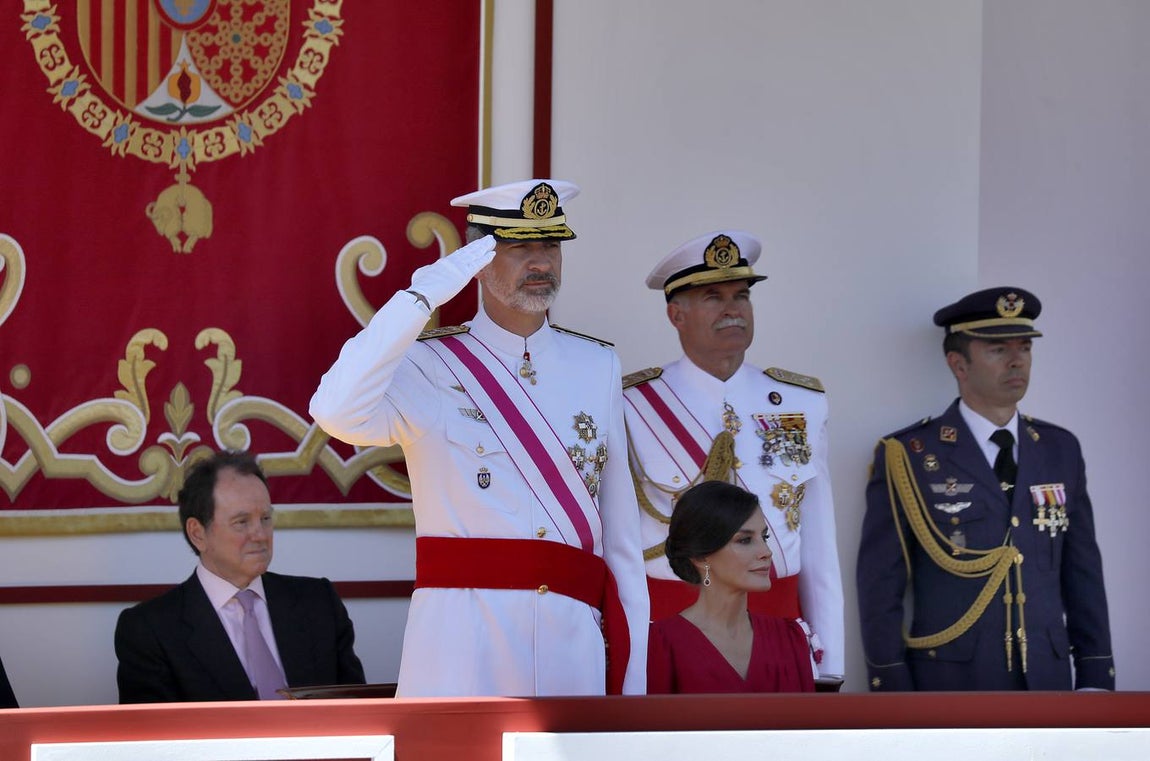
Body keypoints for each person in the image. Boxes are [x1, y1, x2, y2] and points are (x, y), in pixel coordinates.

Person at [309, 179, 648, 697]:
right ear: (479, 261)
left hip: (571, 645)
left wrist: (633, 678)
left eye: (551, 245)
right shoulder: (429, 364)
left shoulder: (597, 364)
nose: (542, 262)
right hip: (464, 644)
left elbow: (622, 539)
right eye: (521, 247)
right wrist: (419, 297)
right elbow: (334, 412)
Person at [857, 287, 1114, 691]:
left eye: (1024, 348)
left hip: (1048, 681)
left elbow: (1082, 572)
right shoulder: (908, 455)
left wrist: (1096, 675)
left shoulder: (1059, 448)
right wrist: (891, 687)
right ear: (958, 364)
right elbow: (880, 585)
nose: (1016, 361)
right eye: (997, 350)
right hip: (952, 682)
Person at [624, 230, 843, 681]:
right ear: (675, 314)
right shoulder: (631, 403)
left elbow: (820, 545)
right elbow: (620, 545)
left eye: (741, 295)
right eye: (712, 297)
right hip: (673, 625)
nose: (732, 309)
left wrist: (830, 662)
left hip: (780, 627)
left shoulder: (801, 401)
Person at [114, 450, 365, 703]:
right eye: (242, 522)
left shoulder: (318, 603)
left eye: (265, 518)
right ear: (198, 533)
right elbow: (157, 738)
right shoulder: (149, 630)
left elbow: (357, 713)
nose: (260, 534)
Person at [648, 480, 815, 693]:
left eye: (764, 537)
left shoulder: (791, 639)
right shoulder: (662, 644)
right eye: (745, 540)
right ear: (700, 556)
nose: (766, 551)